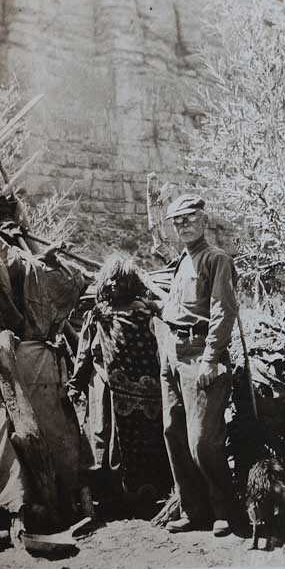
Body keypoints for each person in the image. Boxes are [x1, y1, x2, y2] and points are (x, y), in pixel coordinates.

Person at [67, 253, 172, 510]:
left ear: (130, 283)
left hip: (136, 393)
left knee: (120, 439)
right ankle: (113, 495)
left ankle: (133, 495)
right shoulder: (102, 316)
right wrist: (76, 384)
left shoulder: (144, 314)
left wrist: (75, 384)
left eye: (120, 280)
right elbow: (84, 354)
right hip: (108, 388)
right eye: (111, 280)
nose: (114, 285)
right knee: (106, 437)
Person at [160, 193, 238, 536]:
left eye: (189, 219)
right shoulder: (182, 261)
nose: (183, 225)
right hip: (173, 351)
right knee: (174, 432)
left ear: (204, 220)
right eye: (177, 221)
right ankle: (193, 511)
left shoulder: (215, 258)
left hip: (200, 352)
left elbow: (223, 311)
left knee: (203, 440)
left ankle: (225, 510)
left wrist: (210, 359)